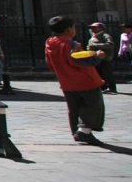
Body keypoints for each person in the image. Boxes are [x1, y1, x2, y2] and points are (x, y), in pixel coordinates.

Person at [44, 15, 107, 145]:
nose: (74, 29)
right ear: (68, 29)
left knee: (74, 109)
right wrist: (97, 57)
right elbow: (78, 60)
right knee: (94, 106)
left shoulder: (50, 43)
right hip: (85, 81)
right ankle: (84, 132)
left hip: (66, 82)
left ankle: (77, 132)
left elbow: (49, 64)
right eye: (73, 27)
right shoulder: (70, 44)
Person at [87, 22, 117, 94]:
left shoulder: (105, 35)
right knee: (99, 73)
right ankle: (103, 87)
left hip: (105, 57)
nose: (92, 28)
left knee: (107, 73)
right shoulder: (93, 36)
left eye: (94, 27)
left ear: (100, 28)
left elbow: (110, 44)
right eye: (91, 27)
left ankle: (112, 88)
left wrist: (96, 45)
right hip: (96, 57)